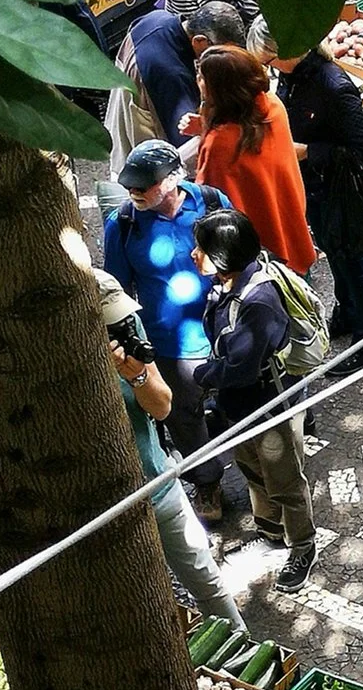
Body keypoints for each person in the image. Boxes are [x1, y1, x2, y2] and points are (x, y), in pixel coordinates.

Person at [93, 270, 243, 629]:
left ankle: (243, 645)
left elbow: (161, 407)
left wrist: (136, 375)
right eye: (109, 322)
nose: (123, 326)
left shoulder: (126, 328)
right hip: (106, 510)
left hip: (157, 484)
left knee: (207, 582)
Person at [251, 20, 363, 370]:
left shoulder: (333, 85)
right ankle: (346, 314)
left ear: (289, 52)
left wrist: (308, 152)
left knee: (355, 264)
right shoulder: (293, 76)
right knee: (336, 256)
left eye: (270, 61)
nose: (268, 68)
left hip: (340, 190)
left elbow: (362, 146)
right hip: (314, 188)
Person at [103, 141, 235, 523]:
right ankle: (206, 481)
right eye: (131, 186)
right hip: (170, 346)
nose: (135, 193)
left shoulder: (210, 201)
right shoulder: (124, 225)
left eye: (145, 185)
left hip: (223, 330)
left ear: (175, 178)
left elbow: (235, 250)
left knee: (241, 400)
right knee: (183, 417)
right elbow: (118, 291)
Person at [191, 208, 317, 593]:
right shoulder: (227, 286)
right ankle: (271, 531)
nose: (194, 255)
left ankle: (302, 545)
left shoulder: (258, 301)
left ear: (225, 256)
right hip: (241, 405)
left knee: (284, 480)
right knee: (251, 468)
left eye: (202, 249)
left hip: (268, 406)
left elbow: (241, 367)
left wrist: (202, 376)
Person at [182, 45, 318, 275]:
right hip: (290, 228)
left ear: (221, 89)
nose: (198, 81)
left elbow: (209, 199)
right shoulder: (273, 106)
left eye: (202, 77)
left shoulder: (220, 143)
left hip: (258, 254)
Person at [111, 0, 244, 162]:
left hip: (117, 132)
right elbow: (186, 144)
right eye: (222, 52)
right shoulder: (171, 74)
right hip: (145, 164)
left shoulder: (156, 18)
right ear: (200, 41)